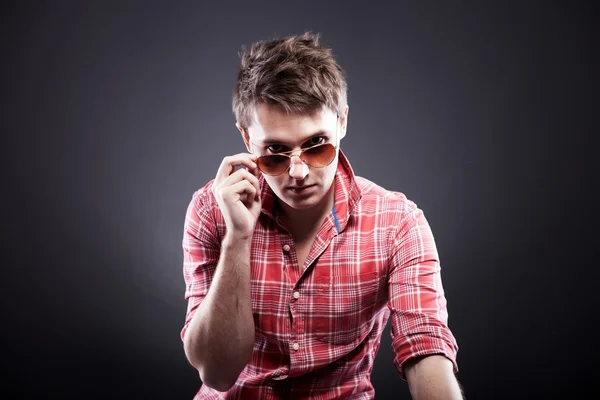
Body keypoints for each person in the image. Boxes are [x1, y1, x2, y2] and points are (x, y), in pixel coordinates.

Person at [180, 32, 463, 399]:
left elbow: (425, 345)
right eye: (276, 151)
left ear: (342, 123)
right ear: (248, 141)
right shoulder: (210, 209)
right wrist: (237, 238)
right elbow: (217, 373)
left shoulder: (397, 224)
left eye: (316, 146)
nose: (298, 172)